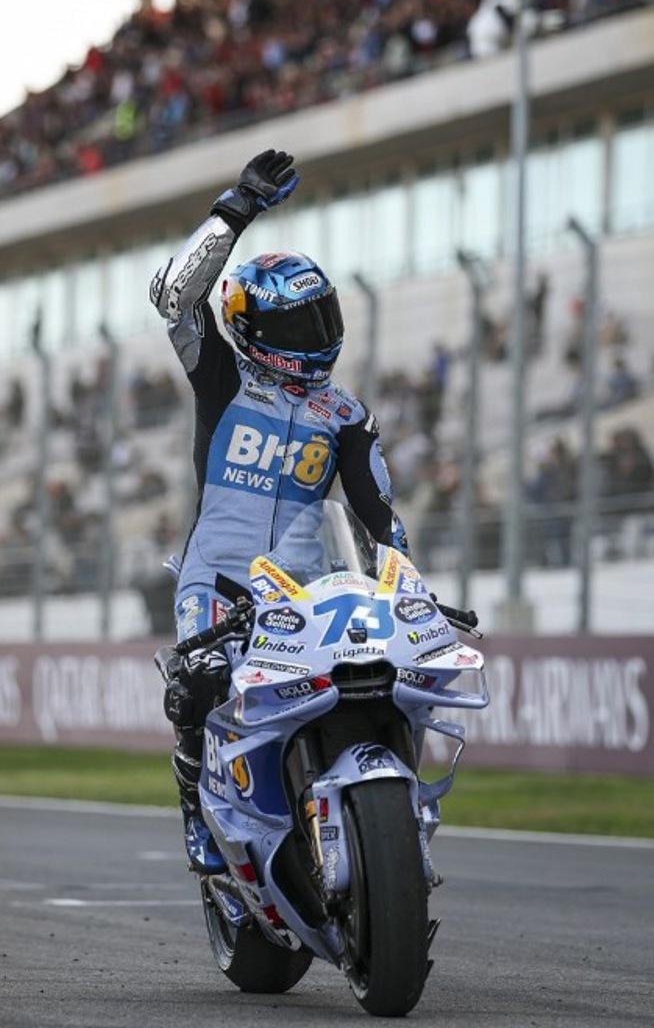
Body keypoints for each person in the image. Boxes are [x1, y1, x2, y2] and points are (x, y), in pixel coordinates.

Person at [150, 149, 410, 873]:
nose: (317, 333)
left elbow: (379, 515)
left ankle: (391, 820)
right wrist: (238, 206)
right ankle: (196, 805)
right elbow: (174, 297)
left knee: (380, 677)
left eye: (322, 315)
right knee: (199, 688)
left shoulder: (346, 413)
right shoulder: (222, 377)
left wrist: (406, 585)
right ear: (254, 328)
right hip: (216, 581)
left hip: (305, 590)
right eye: (298, 323)